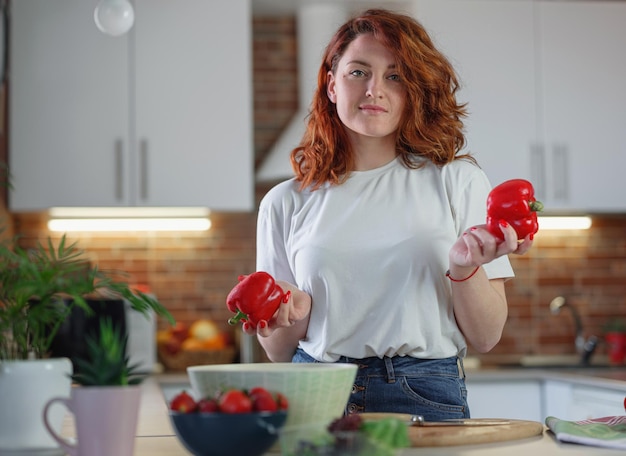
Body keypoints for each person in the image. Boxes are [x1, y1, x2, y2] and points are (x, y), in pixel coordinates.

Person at [242, 8, 533, 420]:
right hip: (316, 392)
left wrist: (465, 268)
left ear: (413, 90)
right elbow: (278, 350)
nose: (373, 89)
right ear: (331, 86)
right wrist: (299, 310)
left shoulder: (457, 180)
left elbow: (485, 337)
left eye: (394, 76)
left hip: (424, 391)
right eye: (358, 72)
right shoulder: (284, 201)